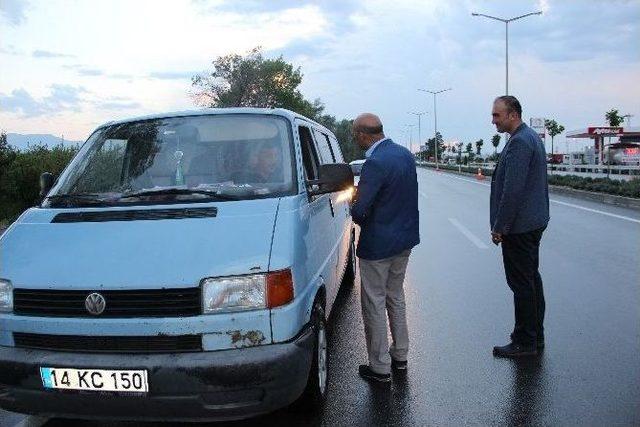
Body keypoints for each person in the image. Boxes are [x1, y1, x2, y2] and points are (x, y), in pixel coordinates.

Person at [350, 113, 420, 382]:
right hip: (404, 242)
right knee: (395, 296)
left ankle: (379, 368)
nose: (355, 138)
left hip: (379, 246)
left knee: (374, 303)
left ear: (362, 135)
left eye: (355, 134)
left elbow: (360, 212)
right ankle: (400, 356)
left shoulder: (375, 163)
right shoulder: (404, 155)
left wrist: (353, 206)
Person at [489, 96, 550, 358]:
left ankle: (525, 342)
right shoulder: (530, 137)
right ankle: (534, 336)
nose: (493, 120)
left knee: (522, 284)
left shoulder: (519, 143)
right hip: (531, 222)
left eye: (497, 115)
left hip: (520, 226)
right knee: (531, 280)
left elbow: (512, 191)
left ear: (512, 114)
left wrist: (500, 226)